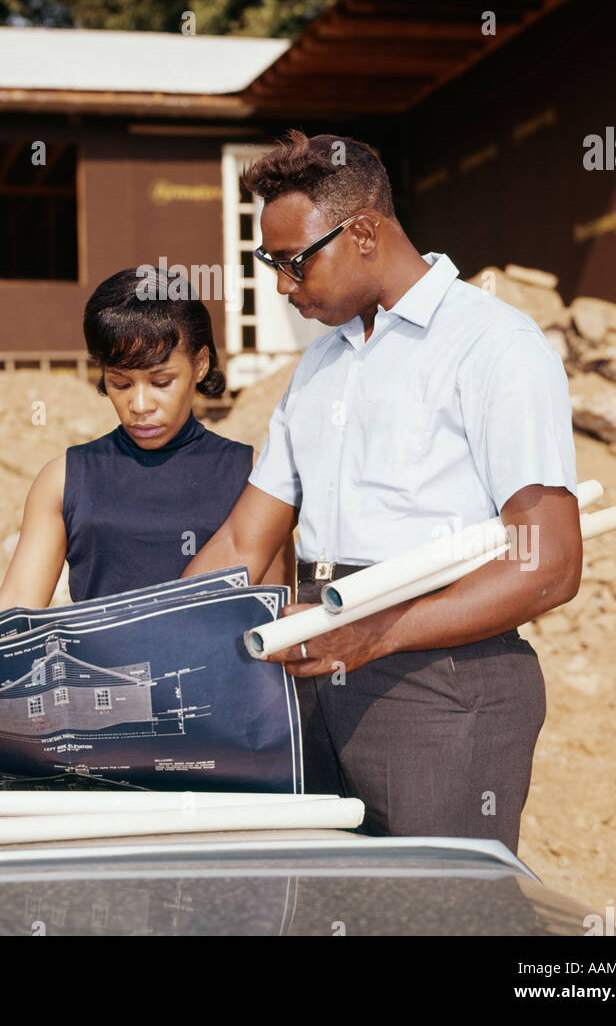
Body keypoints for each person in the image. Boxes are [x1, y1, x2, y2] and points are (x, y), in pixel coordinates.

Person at [182, 131, 582, 854]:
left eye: (292, 261)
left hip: (440, 685)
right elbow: (246, 541)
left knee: (445, 917)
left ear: (362, 231)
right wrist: (147, 636)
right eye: (267, 264)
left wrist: (372, 633)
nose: (281, 285)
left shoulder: (491, 344)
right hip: (320, 674)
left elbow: (547, 563)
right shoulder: (319, 366)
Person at [0, 265, 293, 799]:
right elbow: (10, 619)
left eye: (162, 381)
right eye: (119, 382)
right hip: (101, 751)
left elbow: (272, 626)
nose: (140, 403)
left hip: (221, 747)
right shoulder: (65, 478)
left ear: (200, 363)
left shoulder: (255, 479)